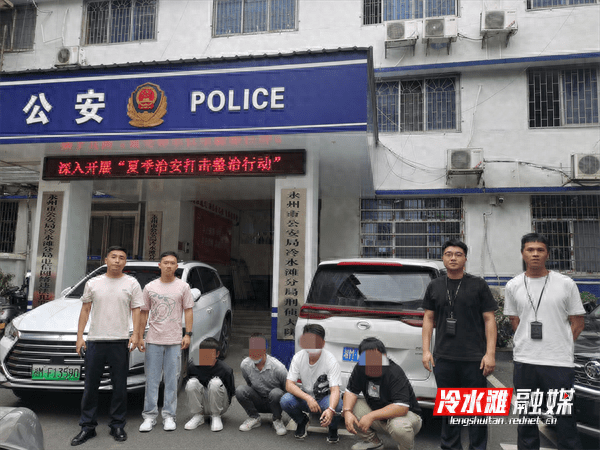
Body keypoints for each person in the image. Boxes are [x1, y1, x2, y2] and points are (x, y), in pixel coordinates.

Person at [504, 233, 585, 450]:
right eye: (530, 250)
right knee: (526, 419)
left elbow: (578, 322)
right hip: (525, 362)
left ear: (547, 254)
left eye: (540, 250)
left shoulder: (566, 284)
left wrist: (560, 344)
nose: (535, 254)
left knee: (564, 419)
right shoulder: (513, 285)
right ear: (522, 254)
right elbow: (515, 321)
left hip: (559, 364)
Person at [422, 239, 497, 450]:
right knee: (450, 410)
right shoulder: (435, 285)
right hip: (444, 358)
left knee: (476, 411)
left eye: (458, 254)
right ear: (443, 258)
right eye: (448, 254)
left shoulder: (478, 285)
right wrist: (426, 351)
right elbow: (428, 318)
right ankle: (450, 446)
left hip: (474, 359)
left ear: (465, 258)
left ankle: (478, 447)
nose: (453, 258)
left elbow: (489, 319)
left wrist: (490, 354)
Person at [71, 246, 143, 446]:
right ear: (106, 260)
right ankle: (87, 427)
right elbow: (85, 310)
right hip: (95, 341)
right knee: (90, 387)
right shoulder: (93, 283)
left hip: (120, 341)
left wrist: (136, 334)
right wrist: (79, 337)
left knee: (119, 387)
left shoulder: (132, 283)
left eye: (122, 258)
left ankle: (117, 425)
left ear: (125, 262)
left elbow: (136, 310)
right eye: (113, 257)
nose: (117, 261)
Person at [138, 251, 194, 432]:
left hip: (174, 340)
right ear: (159, 265)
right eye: (165, 262)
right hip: (153, 339)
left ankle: (169, 416)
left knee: (171, 380)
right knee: (152, 380)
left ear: (176, 266)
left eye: (172, 263)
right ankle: (149, 416)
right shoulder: (150, 287)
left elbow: (188, 310)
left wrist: (188, 334)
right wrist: (140, 335)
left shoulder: (183, 287)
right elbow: (144, 312)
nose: (169, 266)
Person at [343, 337, 422, 450]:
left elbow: (401, 407)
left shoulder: (394, 372)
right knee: (350, 406)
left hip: (406, 418)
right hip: (380, 416)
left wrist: (371, 416)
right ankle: (373, 442)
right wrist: (347, 412)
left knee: (399, 426)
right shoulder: (360, 368)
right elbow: (350, 392)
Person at [280, 323, 342, 444]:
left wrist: (330, 409)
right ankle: (302, 421)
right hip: (306, 399)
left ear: (323, 343)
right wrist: (308, 398)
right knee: (285, 400)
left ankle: (333, 427)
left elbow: (335, 390)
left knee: (338, 405)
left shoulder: (330, 360)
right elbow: (289, 385)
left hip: (324, 400)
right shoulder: (298, 357)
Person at [236, 333, 288, 435]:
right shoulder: (245, 365)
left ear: (265, 350)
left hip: (275, 401)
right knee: (240, 390)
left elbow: (287, 388)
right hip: (258, 399)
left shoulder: (278, 368)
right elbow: (249, 383)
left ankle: (277, 419)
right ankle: (254, 417)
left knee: (276, 393)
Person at [183, 337, 235, 432]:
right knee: (191, 382)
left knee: (215, 382)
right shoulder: (192, 366)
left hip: (220, 405)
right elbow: (189, 390)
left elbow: (230, 393)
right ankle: (198, 415)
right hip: (202, 403)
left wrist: (219, 407)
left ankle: (216, 416)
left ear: (217, 354)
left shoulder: (225, 370)